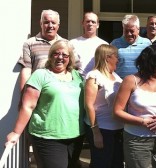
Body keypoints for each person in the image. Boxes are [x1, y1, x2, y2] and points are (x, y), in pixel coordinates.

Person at [6, 40, 86, 168]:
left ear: (70, 58)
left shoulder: (77, 76)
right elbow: (28, 106)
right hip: (48, 137)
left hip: (75, 136)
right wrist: (16, 132)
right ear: (50, 56)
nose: (60, 57)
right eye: (56, 53)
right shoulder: (40, 75)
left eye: (65, 55)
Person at [113, 45, 156, 168]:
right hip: (137, 140)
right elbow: (117, 111)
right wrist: (142, 121)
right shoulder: (131, 81)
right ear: (151, 61)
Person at [84, 44, 123, 168]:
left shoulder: (115, 76)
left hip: (117, 129)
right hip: (102, 129)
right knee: (101, 163)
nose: (118, 59)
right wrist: (96, 132)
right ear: (107, 58)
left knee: (116, 163)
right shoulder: (94, 76)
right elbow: (89, 105)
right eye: (116, 56)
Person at [18, 9, 67, 91]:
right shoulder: (30, 43)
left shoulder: (66, 44)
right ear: (41, 24)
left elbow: (73, 68)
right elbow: (26, 70)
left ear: (58, 25)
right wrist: (24, 94)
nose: (50, 26)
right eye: (46, 22)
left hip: (59, 93)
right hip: (37, 91)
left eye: (53, 23)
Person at [111, 14, 151, 79]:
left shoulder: (146, 44)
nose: (129, 34)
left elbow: (150, 65)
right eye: (126, 31)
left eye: (132, 31)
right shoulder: (115, 44)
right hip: (120, 85)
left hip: (140, 84)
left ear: (138, 29)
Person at [70, 11, 108, 77]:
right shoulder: (72, 43)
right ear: (82, 23)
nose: (90, 24)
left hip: (97, 81)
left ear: (98, 25)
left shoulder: (104, 45)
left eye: (93, 22)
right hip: (76, 80)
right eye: (87, 21)